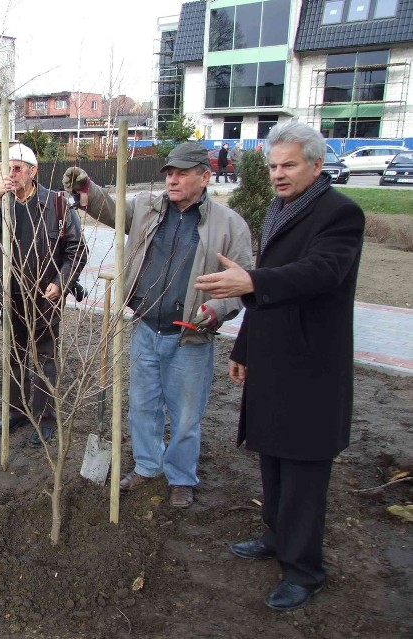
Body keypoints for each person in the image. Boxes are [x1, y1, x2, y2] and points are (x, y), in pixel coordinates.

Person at [195, 121, 365, 612]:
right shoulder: (282, 210)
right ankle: (275, 534)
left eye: (288, 165)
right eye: (272, 166)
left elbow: (319, 273)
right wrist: (245, 347)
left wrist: (252, 281)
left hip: (311, 364)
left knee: (305, 468)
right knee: (272, 454)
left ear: (316, 164)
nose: (278, 174)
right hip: (273, 358)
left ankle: (304, 568)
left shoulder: (339, 215)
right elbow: (260, 289)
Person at [63, 142, 252, 508]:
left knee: (185, 415)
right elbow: (112, 209)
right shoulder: (149, 208)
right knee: (142, 405)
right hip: (146, 328)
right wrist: (86, 188)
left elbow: (242, 282)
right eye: (169, 173)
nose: (173, 180)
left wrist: (216, 309)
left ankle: (182, 477)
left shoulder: (229, 225)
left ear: (205, 177)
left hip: (190, 337)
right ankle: (148, 466)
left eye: (182, 173)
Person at [0, 143, 88, 447]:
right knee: (13, 355)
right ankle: (16, 411)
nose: (11, 174)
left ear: (33, 171)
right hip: (9, 295)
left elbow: (77, 250)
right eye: (8, 168)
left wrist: (61, 282)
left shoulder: (56, 205)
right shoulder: (2, 203)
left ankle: (46, 418)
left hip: (44, 296)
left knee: (44, 358)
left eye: (18, 168)